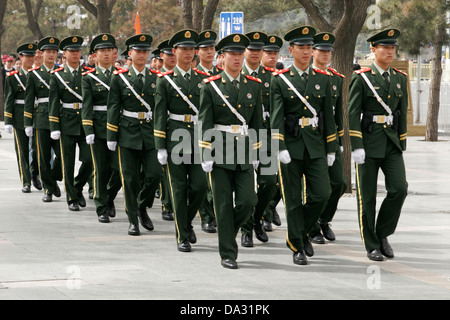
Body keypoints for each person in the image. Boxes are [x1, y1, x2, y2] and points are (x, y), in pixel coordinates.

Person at [270, 26, 337, 265]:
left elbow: (328, 118)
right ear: (292, 50)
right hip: (291, 145)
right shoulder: (280, 80)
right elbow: (276, 116)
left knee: (322, 194)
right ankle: (297, 245)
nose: (307, 51)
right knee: (293, 198)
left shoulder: (323, 79)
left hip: (316, 144)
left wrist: (332, 147)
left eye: (309, 47)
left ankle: (303, 230)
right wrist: (279, 146)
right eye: (302, 47)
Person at [198, 33, 263, 269]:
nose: (237, 58)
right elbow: (204, 122)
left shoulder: (253, 86)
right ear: (222, 57)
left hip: (245, 151)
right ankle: (228, 252)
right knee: (223, 205)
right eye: (232, 54)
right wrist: (205, 153)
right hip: (220, 151)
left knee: (248, 201)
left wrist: (258, 152)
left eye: (240, 54)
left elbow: (257, 123)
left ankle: (227, 231)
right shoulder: (211, 86)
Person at [347, 28, 408, 261]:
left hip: (391, 143)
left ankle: (383, 233)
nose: (390, 51)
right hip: (368, 142)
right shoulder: (361, 78)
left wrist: (402, 141)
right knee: (367, 196)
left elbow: (401, 113)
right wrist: (356, 145)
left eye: (393, 48)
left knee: (399, 188)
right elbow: (352, 113)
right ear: (373, 49)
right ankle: (371, 244)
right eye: (385, 47)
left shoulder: (399, 78)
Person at [154, 29, 209, 252]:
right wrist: (160, 146)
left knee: (200, 186)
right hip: (176, 137)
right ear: (174, 51)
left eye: (191, 49)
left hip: (197, 138)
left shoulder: (203, 79)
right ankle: (182, 235)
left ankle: (185, 221)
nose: (188, 53)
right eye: (183, 49)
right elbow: (159, 114)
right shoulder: (165, 81)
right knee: (178, 189)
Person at [107, 33, 161, 235]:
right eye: (138, 51)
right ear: (130, 53)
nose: (142, 55)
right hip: (127, 133)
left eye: (145, 51)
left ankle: (141, 205)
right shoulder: (120, 78)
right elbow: (113, 107)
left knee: (154, 175)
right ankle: (133, 220)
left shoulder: (157, 78)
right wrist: (112, 135)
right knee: (129, 179)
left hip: (149, 133)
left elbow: (159, 109)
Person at [239, 31, 279, 247]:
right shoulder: (236, 73)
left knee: (269, 181)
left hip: (266, 135)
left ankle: (258, 218)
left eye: (259, 50)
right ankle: (246, 229)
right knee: (246, 187)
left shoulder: (272, 77)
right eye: (252, 49)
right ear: (245, 51)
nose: (255, 53)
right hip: (242, 136)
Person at [307, 32, 347, 243]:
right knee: (313, 187)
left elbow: (338, 114)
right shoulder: (306, 76)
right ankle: (311, 227)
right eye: (321, 50)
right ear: (313, 52)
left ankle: (324, 218)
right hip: (309, 136)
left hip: (329, 137)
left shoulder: (336, 79)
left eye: (328, 51)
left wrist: (339, 141)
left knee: (339, 183)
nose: (325, 54)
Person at [48, 35, 93, 212]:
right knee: (67, 162)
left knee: (89, 160)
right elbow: (53, 103)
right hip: (66, 123)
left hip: (85, 122)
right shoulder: (57, 76)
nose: (75, 54)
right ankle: (71, 198)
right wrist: (54, 127)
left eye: (77, 51)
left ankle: (77, 185)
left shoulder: (88, 74)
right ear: (64, 54)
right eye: (71, 51)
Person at [82, 34, 122, 223]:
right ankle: (101, 207)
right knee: (100, 168)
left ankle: (109, 196)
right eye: (101, 51)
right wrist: (88, 130)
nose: (106, 54)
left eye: (109, 50)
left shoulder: (121, 75)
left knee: (119, 169)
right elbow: (87, 106)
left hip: (119, 127)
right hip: (98, 127)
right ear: (94, 55)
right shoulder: (88, 78)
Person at [23, 37, 62, 202]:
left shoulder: (62, 72)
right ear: (42, 53)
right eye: (48, 52)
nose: (52, 55)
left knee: (61, 155)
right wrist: (28, 122)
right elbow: (29, 100)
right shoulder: (34, 75)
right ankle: (48, 189)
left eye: (54, 52)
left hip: (61, 118)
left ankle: (53, 179)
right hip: (41, 119)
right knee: (43, 157)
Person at [3, 43, 42, 193]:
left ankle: (34, 173)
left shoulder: (39, 75)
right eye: (28, 56)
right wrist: (8, 120)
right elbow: (9, 100)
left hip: (36, 114)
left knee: (37, 149)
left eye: (33, 56)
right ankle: (26, 181)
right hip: (19, 116)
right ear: (21, 57)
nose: (31, 59)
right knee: (22, 150)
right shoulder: (13, 78)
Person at [195, 30, 219, 234]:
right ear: (197, 52)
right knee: (203, 178)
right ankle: (206, 216)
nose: (210, 52)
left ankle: (216, 212)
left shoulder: (220, 74)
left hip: (219, 132)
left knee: (217, 176)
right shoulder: (194, 75)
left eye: (212, 48)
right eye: (205, 49)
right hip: (197, 130)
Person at [260, 35, 284, 232]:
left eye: (275, 53)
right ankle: (259, 216)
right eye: (269, 53)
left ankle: (268, 208)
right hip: (252, 132)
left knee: (273, 179)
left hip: (272, 132)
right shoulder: (251, 76)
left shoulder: (278, 77)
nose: (272, 56)